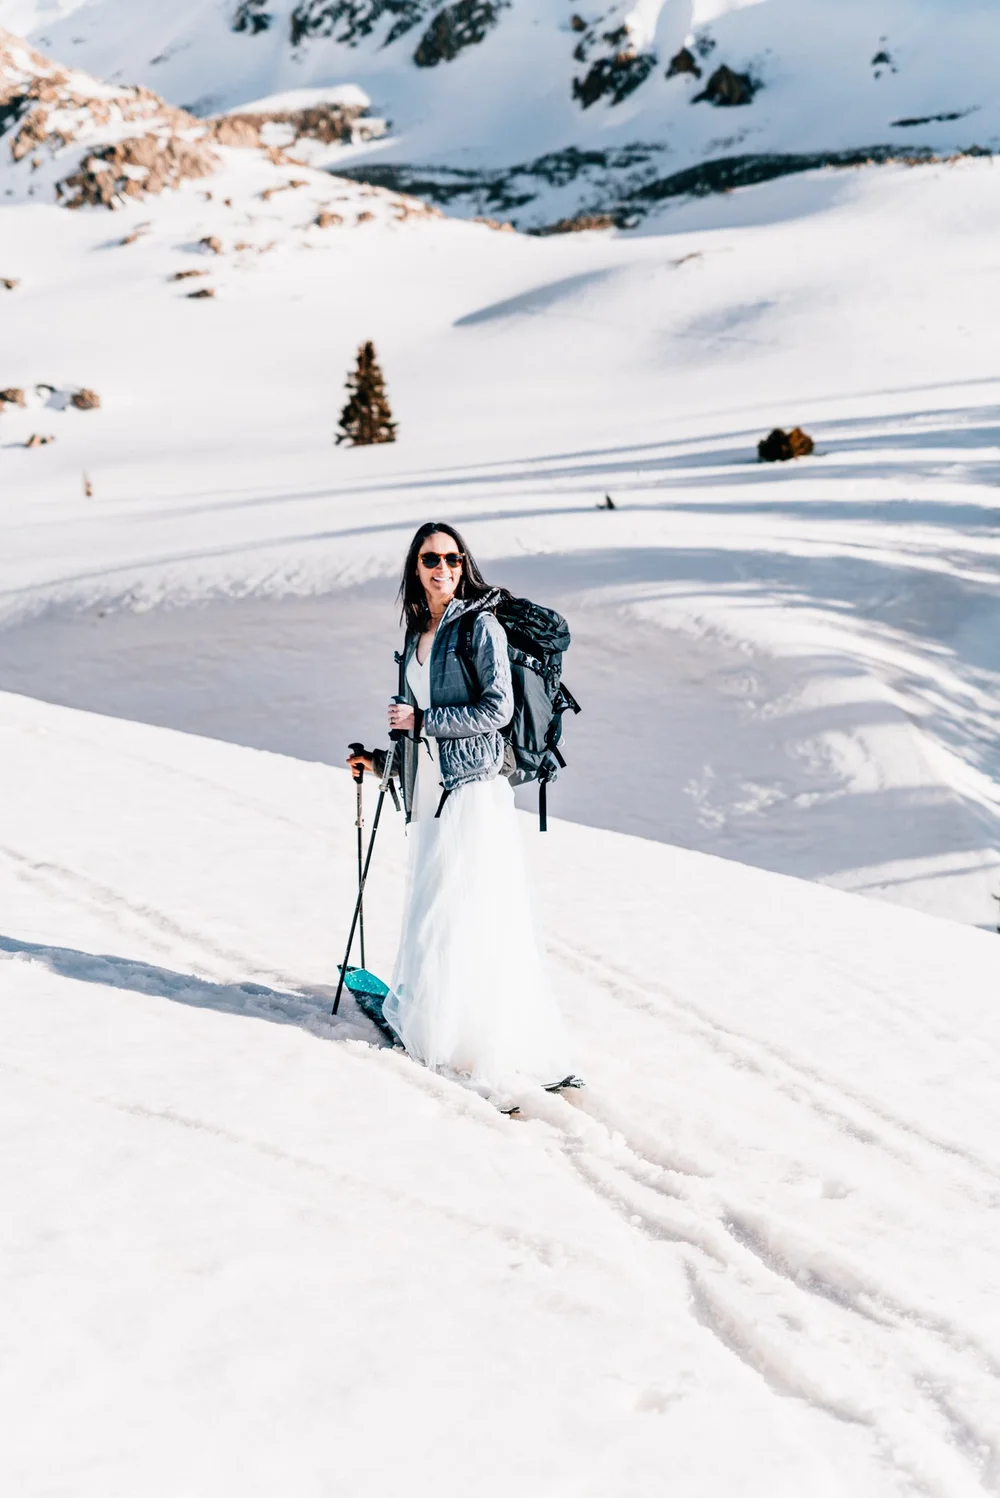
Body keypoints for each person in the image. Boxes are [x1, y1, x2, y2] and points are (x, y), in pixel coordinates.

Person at [348, 522, 575, 1101]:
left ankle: (485, 1042)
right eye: (430, 559)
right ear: (415, 568)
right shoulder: (419, 632)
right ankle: (440, 1027)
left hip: (473, 789)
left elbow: (497, 709)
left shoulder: (479, 625)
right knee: (435, 912)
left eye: (452, 557)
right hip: (430, 792)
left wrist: (425, 724)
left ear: (463, 564)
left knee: (468, 913)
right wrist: (379, 763)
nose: (442, 567)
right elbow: (415, 726)